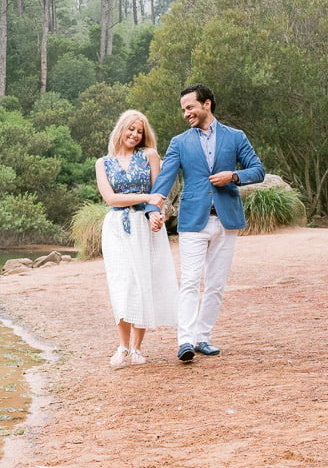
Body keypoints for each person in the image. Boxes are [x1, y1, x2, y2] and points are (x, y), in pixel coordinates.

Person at [146, 83, 264, 363]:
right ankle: (185, 340)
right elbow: (165, 178)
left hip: (226, 220)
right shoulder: (179, 142)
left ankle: (203, 338)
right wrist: (153, 206)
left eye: (190, 107)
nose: (186, 113)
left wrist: (233, 176)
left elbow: (257, 170)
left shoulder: (236, 137)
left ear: (206, 104)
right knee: (189, 281)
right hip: (192, 221)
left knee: (215, 284)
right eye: (183, 109)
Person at [96, 110, 178, 369]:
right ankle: (122, 346)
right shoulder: (103, 163)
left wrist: (157, 215)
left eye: (139, 131)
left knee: (144, 281)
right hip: (117, 227)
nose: (134, 134)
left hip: (144, 225)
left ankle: (137, 348)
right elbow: (111, 199)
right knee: (122, 283)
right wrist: (145, 198)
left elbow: (159, 192)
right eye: (130, 128)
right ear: (121, 129)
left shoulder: (150, 156)